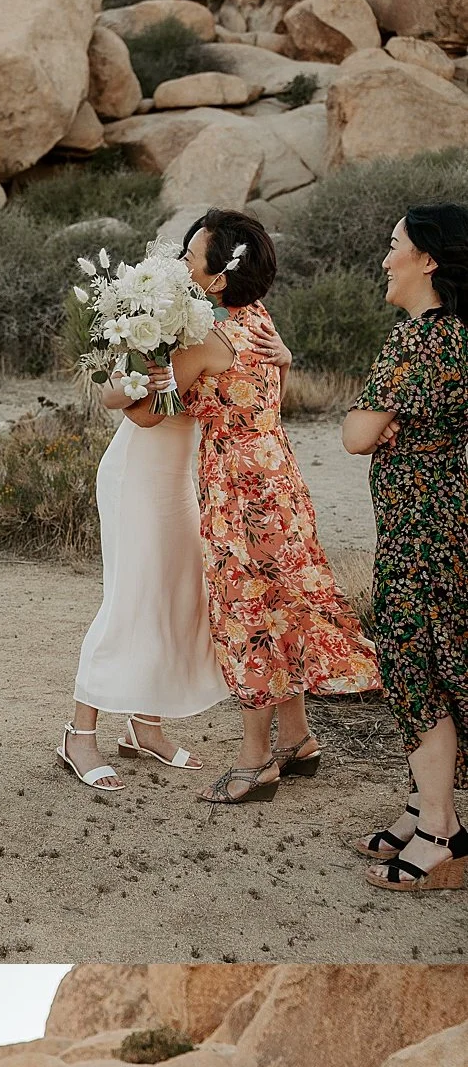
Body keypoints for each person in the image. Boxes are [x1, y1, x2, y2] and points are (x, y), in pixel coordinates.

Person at [172, 211, 381, 807]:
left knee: (247, 611)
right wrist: (285, 361)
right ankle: (297, 737)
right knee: (280, 600)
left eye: (192, 255)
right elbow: (270, 389)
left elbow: (151, 407)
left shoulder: (210, 340)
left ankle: (255, 758)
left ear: (217, 279)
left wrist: (128, 354)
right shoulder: (259, 320)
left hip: (238, 486)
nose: (183, 264)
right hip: (276, 471)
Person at [342, 199, 468, 892]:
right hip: (443, 522)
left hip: (419, 532)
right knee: (436, 658)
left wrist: (368, 419)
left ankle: (438, 831)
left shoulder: (418, 340)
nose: (385, 258)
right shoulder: (456, 337)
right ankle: (423, 803)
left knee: (413, 666)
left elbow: (358, 433)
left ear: (427, 259)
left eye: (395, 245)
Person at [61, 321, 229, 791]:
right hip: (134, 477)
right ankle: (79, 734)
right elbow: (118, 397)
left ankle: (144, 726)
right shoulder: (156, 325)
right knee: (128, 599)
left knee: (174, 594)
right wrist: (157, 380)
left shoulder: (218, 330)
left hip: (176, 481)